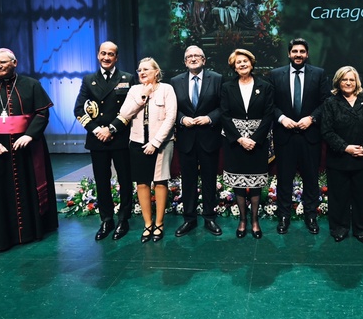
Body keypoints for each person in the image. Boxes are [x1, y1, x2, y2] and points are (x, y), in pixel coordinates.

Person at [0, 48, 58, 252]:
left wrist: (29, 135)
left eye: (3, 62)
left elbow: (42, 114)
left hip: (26, 145)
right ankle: (0, 234)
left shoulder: (31, 84)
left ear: (14, 63)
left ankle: (31, 230)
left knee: (27, 186)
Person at [268, 38, 331, 235]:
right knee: (284, 179)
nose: (298, 54)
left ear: (307, 54)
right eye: (294, 51)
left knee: (311, 179)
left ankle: (311, 216)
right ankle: (284, 216)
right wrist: (281, 118)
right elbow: (270, 104)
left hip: (310, 135)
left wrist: (312, 118)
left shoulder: (319, 74)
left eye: (302, 51)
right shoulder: (275, 74)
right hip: (284, 135)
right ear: (289, 54)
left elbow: (326, 102)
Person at [74, 41, 135, 241]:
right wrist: (96, 129)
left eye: (110, 54)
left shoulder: (127, 78)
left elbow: (131, 109)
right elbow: (79, 109)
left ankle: (123, 219)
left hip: (119, 137)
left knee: (125, 180)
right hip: (97, 139)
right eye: (103, 54)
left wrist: (111, 129)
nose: (106, 57)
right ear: (98, 55)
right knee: (102, 182)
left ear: (116, 57)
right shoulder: (88, 79)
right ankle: (106, 220)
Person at [117, 58, 177, 243]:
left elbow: (171, 118)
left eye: (146, 69)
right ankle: (147, 223)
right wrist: (142, 96)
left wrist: (155, 142)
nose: (141, 72)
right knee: (142, 183)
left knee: (160, 182)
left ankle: (159, 224)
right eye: (139, 70)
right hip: (136, 142)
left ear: (156, 72)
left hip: (162, 143)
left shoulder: (167, 89)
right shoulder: (135, 90)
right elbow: (124, 114)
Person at [320, 66, 363, 243]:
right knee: (338, 197)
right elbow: (326, 131)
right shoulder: (330, 103)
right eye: (344, 80)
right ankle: (339, 228)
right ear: (338, 82)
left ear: (357, 82)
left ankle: (362, 230)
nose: (348, 83)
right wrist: (346, 148)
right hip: (339, 158)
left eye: (351, 80)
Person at [220, 49, 274, 239]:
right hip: (235, 142)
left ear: (251, 64)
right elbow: (224, 115)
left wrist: (255, 139)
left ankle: (255, 221)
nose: (242, 64)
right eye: (238, 62)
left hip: (257, 142)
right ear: (234, 67)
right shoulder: (227, 87)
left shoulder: (265, 86)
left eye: (245, 61)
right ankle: (243, 220)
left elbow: (268, 115)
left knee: (256, 183)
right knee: (239, 183)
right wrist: (240, 138)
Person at [170, 46, 224, 237]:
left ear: (204, 60)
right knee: (188, 181)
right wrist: (181, 119)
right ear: (185, 62)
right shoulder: (175, 82)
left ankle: (209, 217)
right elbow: (172, 109)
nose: (193, 59)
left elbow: (223, 107)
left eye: (197, 56)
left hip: (209, 137)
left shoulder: (216, 78)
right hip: (186, 138)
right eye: (189, 57)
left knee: (210, 179)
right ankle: (189, 219)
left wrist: (210, 118)